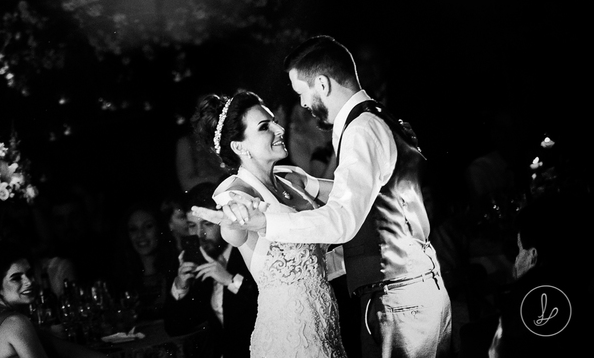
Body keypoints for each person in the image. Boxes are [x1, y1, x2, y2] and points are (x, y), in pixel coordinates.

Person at [207, 36, 451, 358]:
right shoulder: (380, 118)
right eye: (266, 126)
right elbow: (371, 198)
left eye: (301, 92)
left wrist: (266, 221)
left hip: (396, 298)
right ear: (239, 147)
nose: (302, 106)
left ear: (321, 84)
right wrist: (313, 186)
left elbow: (343, 219)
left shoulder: (360, 130)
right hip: (402, 293)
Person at [189, 90, 346, 358]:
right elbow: (233, 232)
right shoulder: (236, 191)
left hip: (327, 326)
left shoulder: (292, 177)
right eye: (265, 127)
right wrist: (236, 218)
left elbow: (352, 195)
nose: (279, 128)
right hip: (288, 336)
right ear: (240, 147)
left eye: (274, 121)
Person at [163, 182, 258, 358]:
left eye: (207, 224)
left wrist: (230, 280)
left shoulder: (248, 252)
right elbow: (175, 328)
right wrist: (180, 287)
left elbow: (267, 310)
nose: (199, 234)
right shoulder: (197, 261)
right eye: (192, 226)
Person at [487, 194, 585, 356]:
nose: (516, 260)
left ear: (533, 256)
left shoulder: (525, 302)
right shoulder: (579, 292)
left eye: (519, 251)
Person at [0, 247, 103, 358]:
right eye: (16, 278)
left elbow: (67, 350)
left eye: (29, 274)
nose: (29, 282)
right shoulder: (15, 322)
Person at [112, 205, 178, 319]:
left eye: (148, 227)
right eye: (133, 229)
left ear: (159, 229)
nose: (140, 235)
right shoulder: (122, 279)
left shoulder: (176, 270)